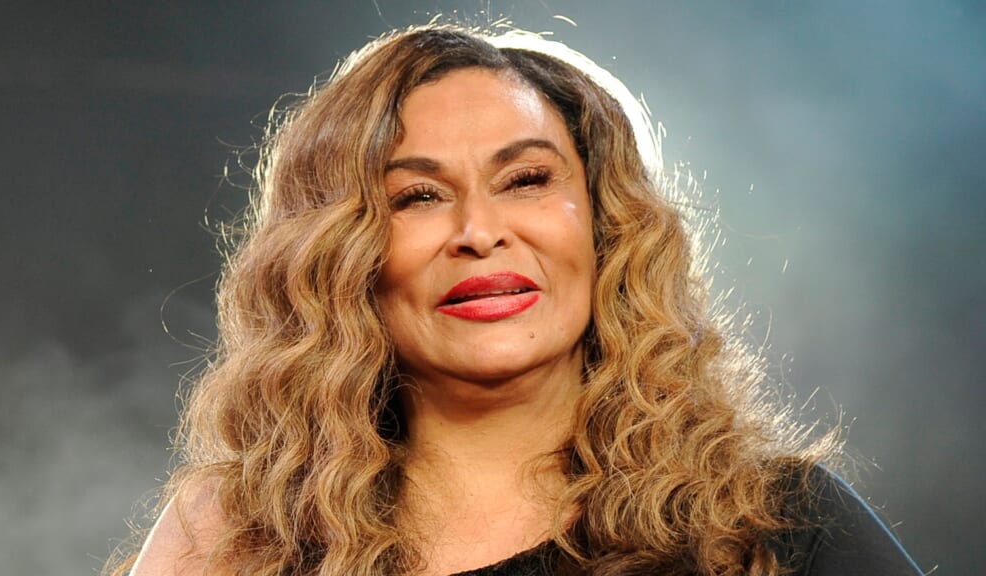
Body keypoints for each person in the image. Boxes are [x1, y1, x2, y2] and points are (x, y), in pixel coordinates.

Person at [106, 24, 924, 576]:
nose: (478, 231)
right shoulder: (241, 538)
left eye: (526, 179)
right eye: (417, 197)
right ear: (339, 258)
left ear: (604, 225)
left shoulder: (771, 523)